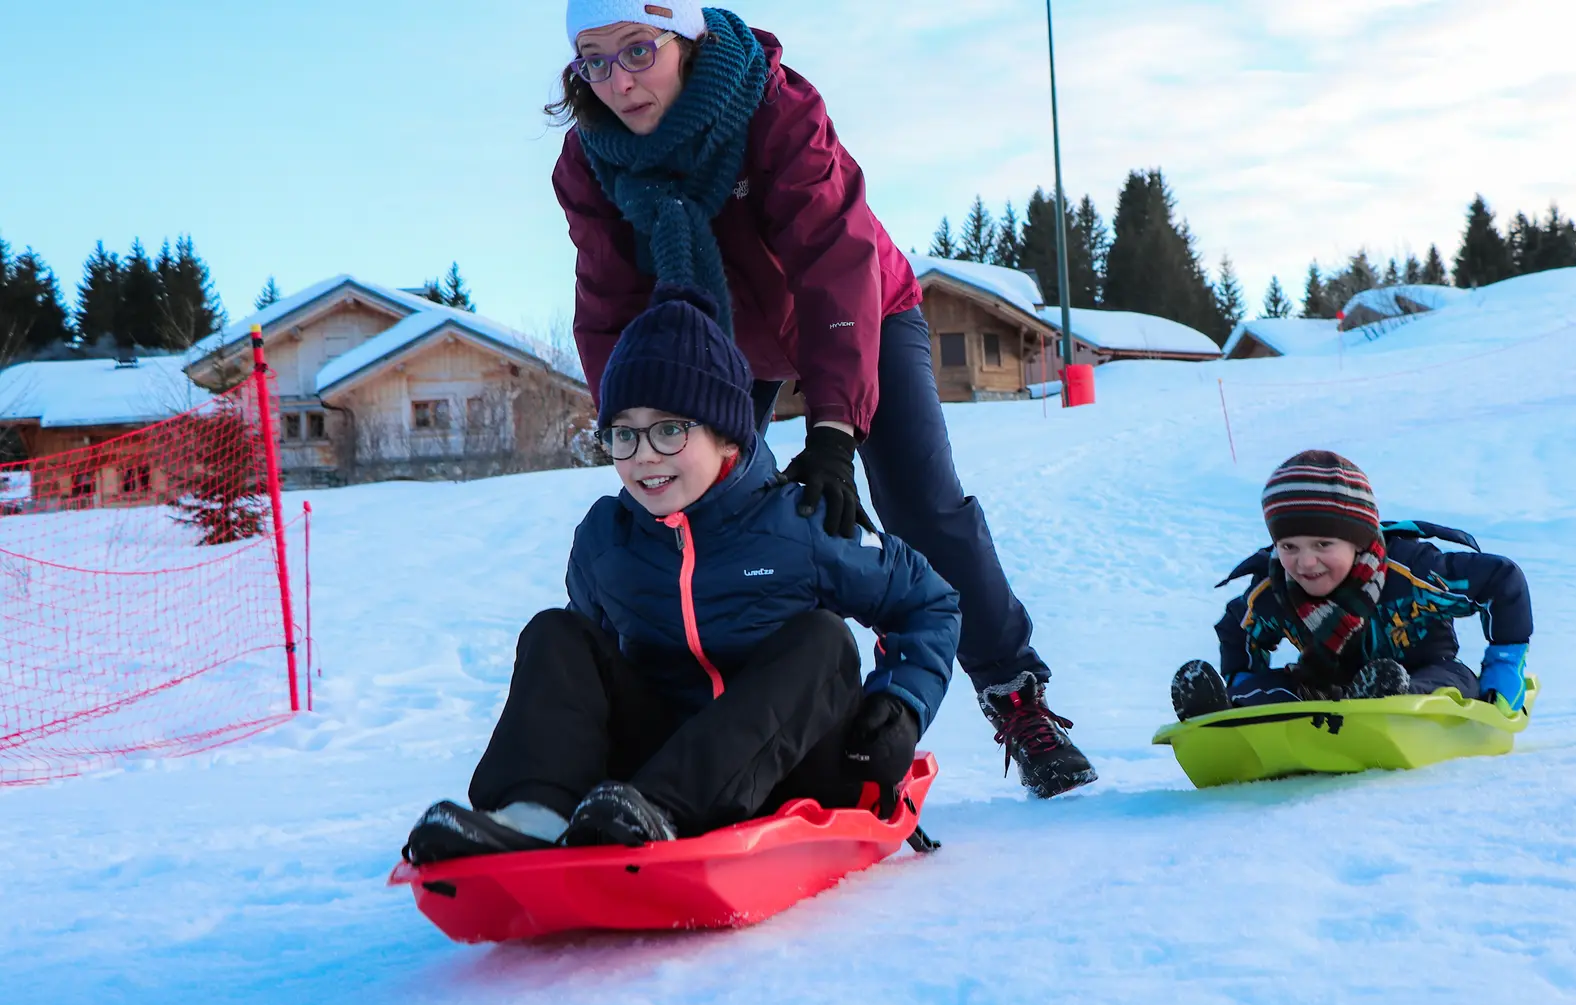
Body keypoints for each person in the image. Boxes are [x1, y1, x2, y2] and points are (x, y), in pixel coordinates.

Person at [547, 2, 1096, 797]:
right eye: (594, 61)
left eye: (639, 49)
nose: (619, 81)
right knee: (725, 524)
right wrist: (632, 428)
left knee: (921, 506)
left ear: (689, 42)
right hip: (718, 343)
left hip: (856, 307)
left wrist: (836, 431)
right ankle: (738, 726)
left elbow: (836, 258)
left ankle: (1015, 692)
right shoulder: (589, 161)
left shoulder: (771, 104)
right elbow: (608, 305)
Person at [403, 288, 959, 864]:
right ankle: (533, 815)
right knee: (557, 634)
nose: (644, 454)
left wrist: (901, 705)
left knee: (824, 641)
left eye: (669, 430)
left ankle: (660, 814)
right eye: (624, 433)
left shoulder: (802, 522)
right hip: (646, 780)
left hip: (797, 767)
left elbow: (930, 604)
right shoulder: (605, 540)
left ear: (726, 436)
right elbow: (582, 683)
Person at [1171, 451, 1533, 720]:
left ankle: (1393, 699)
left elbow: (1501, 581)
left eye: (1322, 545)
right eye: (1288, 547)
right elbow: (1238, 628)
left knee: (1453, 681)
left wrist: (1505, 665)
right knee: (1278, 688)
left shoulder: (1412, 571)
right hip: (1325, 686)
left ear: (1357, 541)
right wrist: (1241, 678)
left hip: (1424, 670)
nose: (1304, 562)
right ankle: (1227, 711)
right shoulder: (1274, 589)